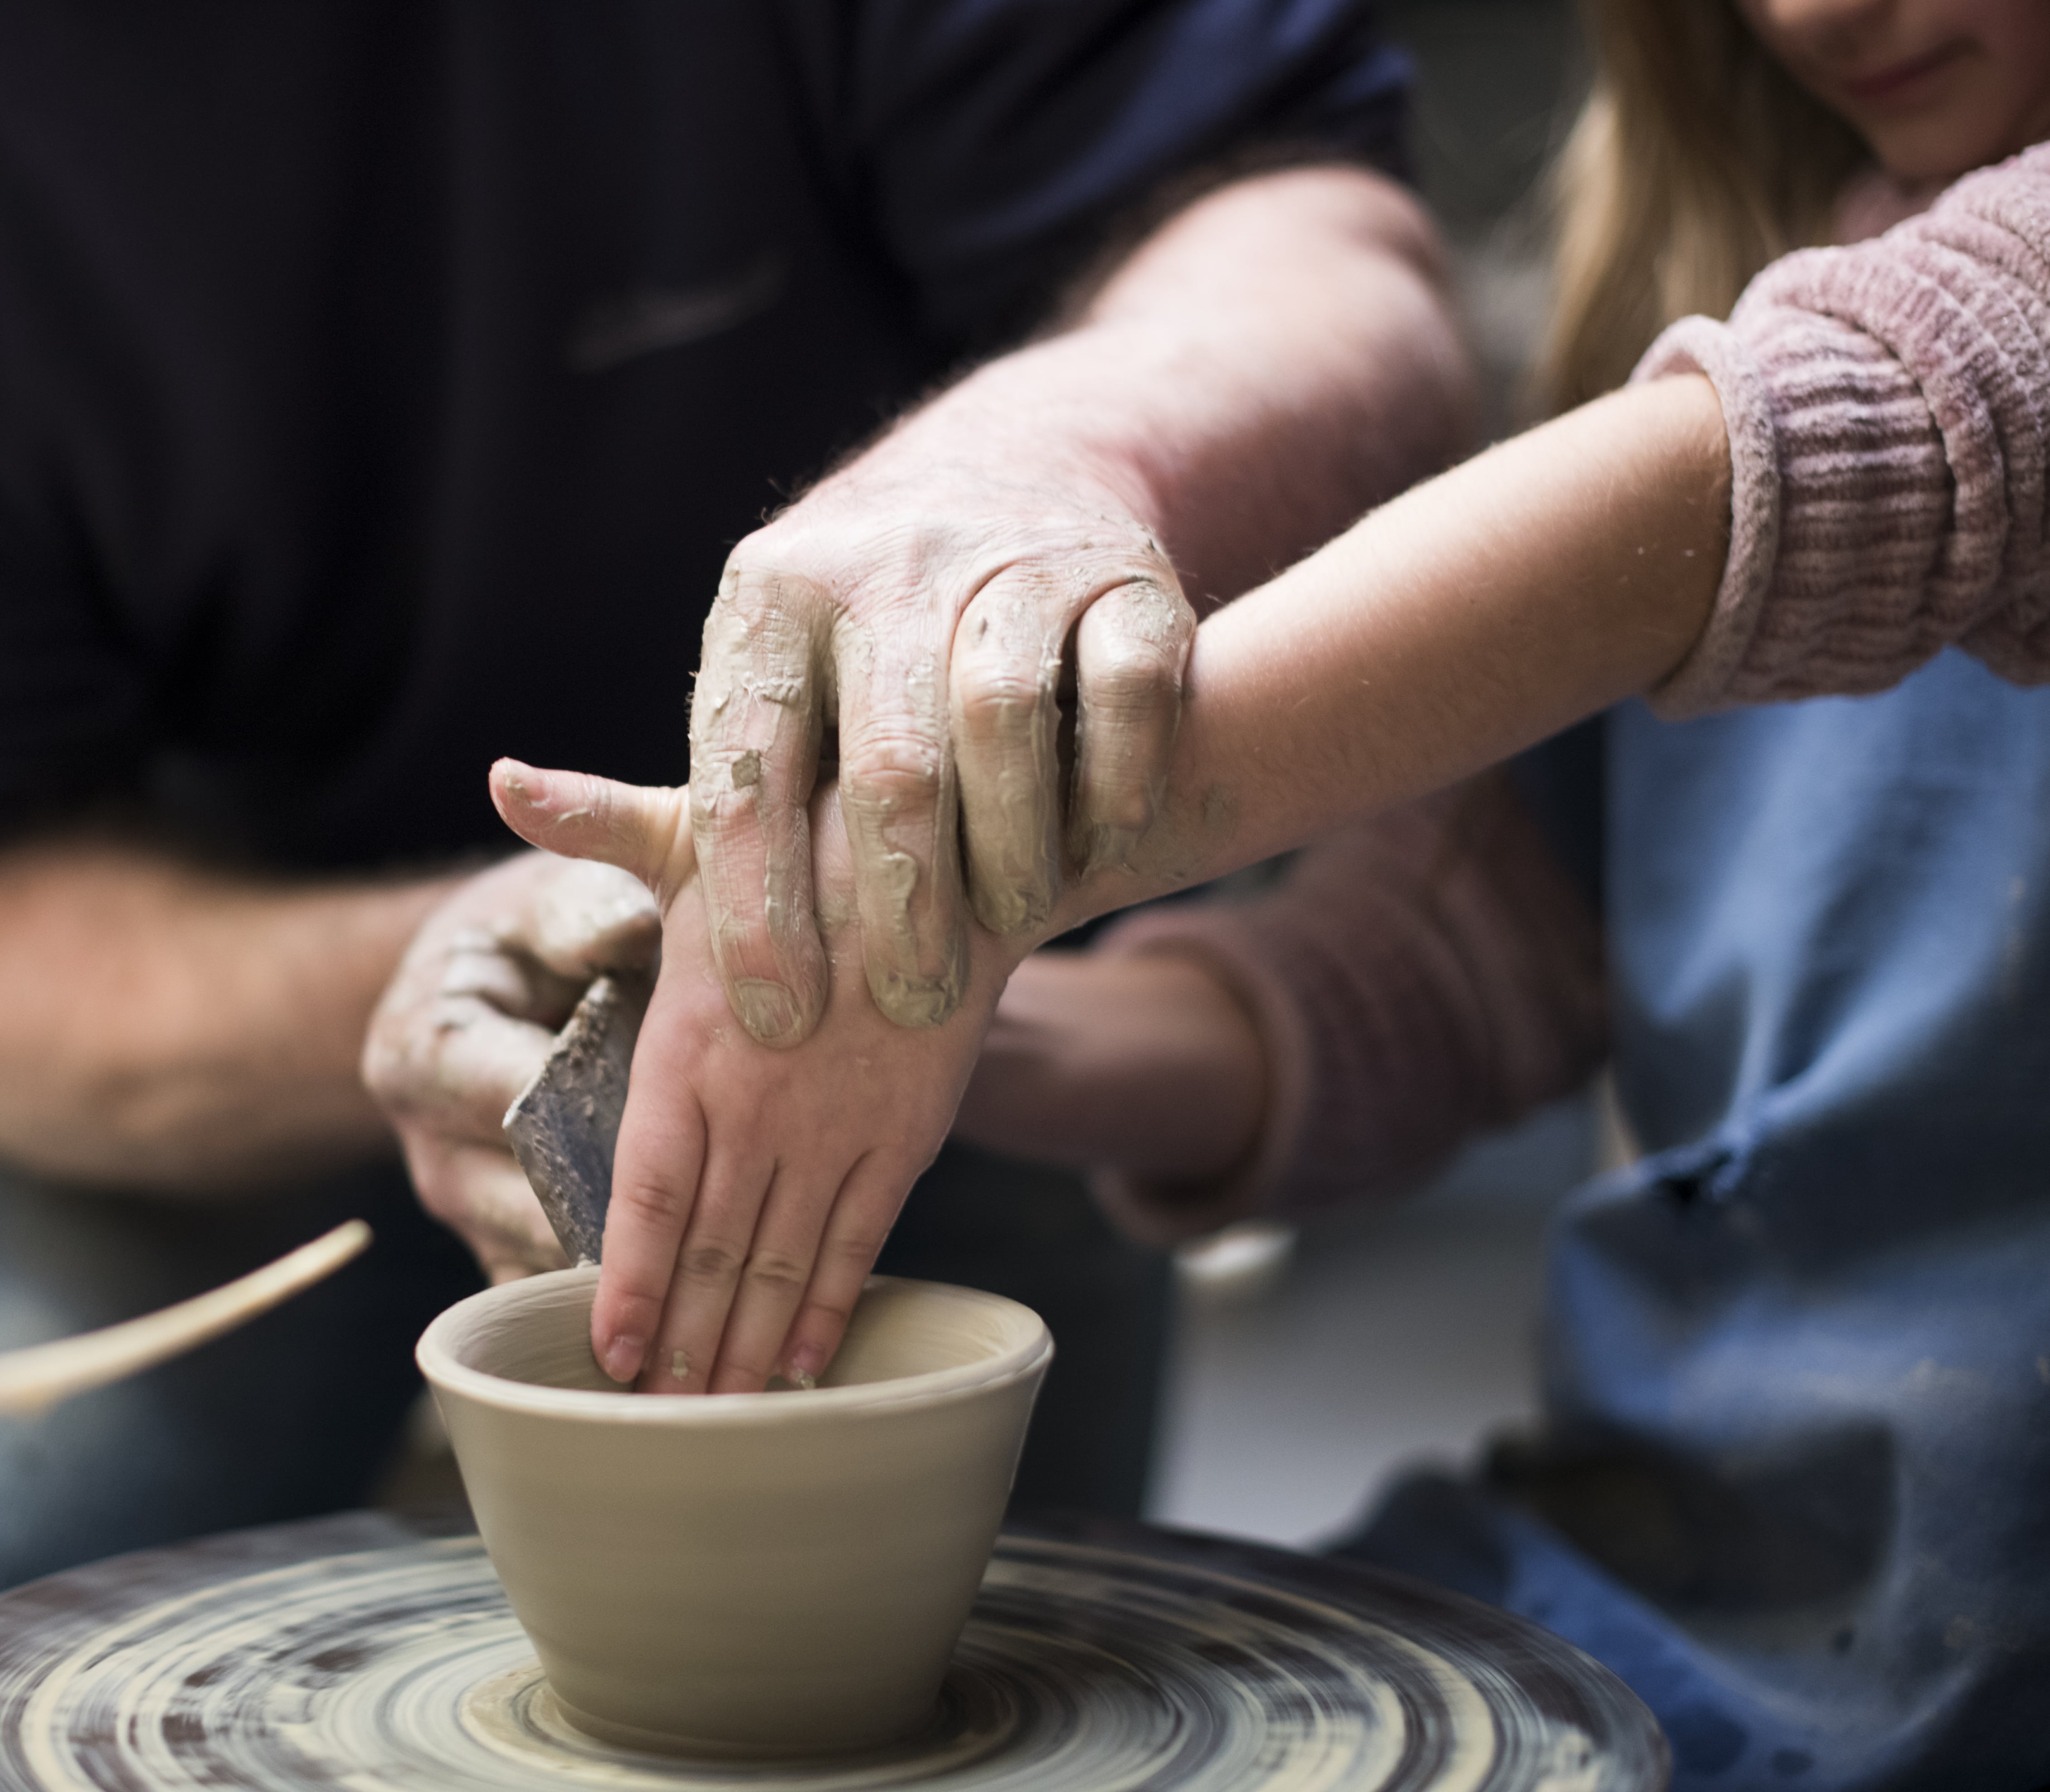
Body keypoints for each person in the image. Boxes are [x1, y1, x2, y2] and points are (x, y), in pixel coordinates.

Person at [0, 0, 1483, 1692]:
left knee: (998, 1646)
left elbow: (1324, 255)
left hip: (942, 849)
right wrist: (450, 958)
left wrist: (1032, 482)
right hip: (241, 916)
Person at [498, 0, 2050, 1779]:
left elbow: (1840, 441)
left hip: (1981, 1656)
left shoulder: (1846, 383)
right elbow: (1450, 958)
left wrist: (962, 855)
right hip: (1662, 1568)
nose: (1811, 11)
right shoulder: (1711, 255)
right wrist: (935, 1006)